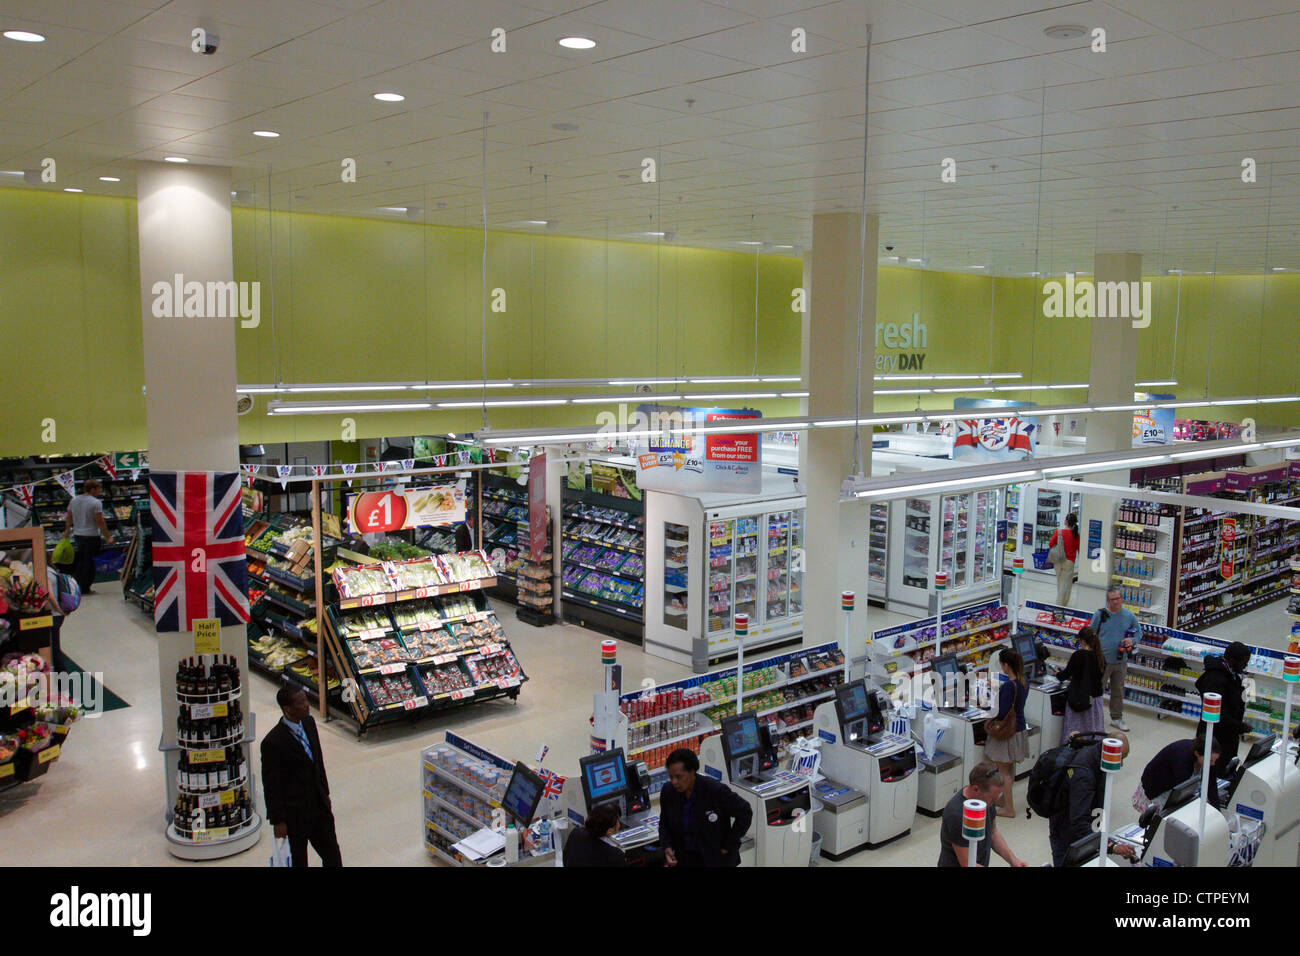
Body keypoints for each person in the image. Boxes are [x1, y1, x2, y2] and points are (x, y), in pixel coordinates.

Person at [261, 685, 342, 867]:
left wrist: (325, 793)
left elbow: (318, 762)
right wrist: (278, 821)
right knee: (299, 860)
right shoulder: (273, 742)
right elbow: (271, 784)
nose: (307, 705)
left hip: (319, 807)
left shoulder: (309, 723)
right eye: (302, 702)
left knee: (332, 854)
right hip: (295, 814)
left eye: (306, 699)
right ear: (287, 709)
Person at [1048, 732, 1137, 866]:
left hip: (1085, 828)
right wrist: (1111, 846)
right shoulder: (1084, 775)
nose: (1122, 764)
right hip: (1066, 832)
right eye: (1120, 758)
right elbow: (1079, 822)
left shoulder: (1098, 757)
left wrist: (1102, 839)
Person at [658, 748, 752, 867]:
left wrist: (729, 843)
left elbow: (745, 812)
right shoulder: (668, 791)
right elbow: (664, 823)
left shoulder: (715, 791)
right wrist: (666, 846)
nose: (674, 782)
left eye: (679, 777)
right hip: (685, 859)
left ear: (692, 772)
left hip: (715, 860)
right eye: (671, 777)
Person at [937, 762, 1028, 867]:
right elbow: (967, 863)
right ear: (976, 789)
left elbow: (993, 833)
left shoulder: (986, 800)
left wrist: (1013, 860)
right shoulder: (956, 814)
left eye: (998, 794)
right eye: (993, 796)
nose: (997, 799)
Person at [984, 648, 1029, 817]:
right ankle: (1003, 800)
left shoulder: (1009, 686)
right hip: (1019, 728)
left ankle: (1008, 809)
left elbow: (1002, 712)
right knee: (1010, 769)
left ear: (1006, 665)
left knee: (1003, 771)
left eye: (1002, 665)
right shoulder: (1024, 681)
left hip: (1007, 732)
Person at [1195, 642, 1250, 778]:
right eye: (1244, 662)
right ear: (1232, 660)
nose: (1245, 666)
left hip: (1227, 737)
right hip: (1215, 738)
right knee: (1212, 774)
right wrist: (1240, 726)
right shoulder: (1216, 679)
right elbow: (1219, 714)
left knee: (1224, 771)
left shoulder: (1230, 674)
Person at [1090, 588, 1140, 732]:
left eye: (1118, 598)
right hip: (1101, 661)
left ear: (1122, 599)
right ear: (1107, 601)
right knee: (1097, 690)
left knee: (1118, 690)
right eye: (1112, 599)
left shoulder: (1129, 616)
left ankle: (1117, 718)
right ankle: (1094, 718)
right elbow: (1090, 633)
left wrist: (1132, 640)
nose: (1116, 602)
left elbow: (1139, 633)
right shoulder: (1100, 615)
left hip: (1121, 660)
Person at [1134, 731, 1221, 813]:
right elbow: (1183, 792)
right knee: (1156, 822)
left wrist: (1217, 812)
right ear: (1197, 754)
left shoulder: (1208, 757)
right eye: (1210, 761)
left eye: (1215, 760)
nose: (1213, 764)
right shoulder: (1182, 758)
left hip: (1174, 787)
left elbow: (1211, 785)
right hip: (1157, 787)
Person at [62, 478, 111, 595]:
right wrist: (108, 536)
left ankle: (77, 586)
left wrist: (67, 530)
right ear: (93, 489)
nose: (100, 491)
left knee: (80, 562)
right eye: (99, 489)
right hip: (92, 536)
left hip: (78, 536)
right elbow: (100, 521)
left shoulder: (74, 500)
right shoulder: (96, 502)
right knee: (89, 563)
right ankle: (85, 588)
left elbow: (69, 517)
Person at [1059, 625, 1106, 741]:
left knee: (1075, 733)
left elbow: (1064, 675)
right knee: (1092, 733)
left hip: (1079, 699)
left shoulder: (1078, 655)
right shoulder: (1100, 657)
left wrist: (1056, 673)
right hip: (1095, 701)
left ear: (1083, 641)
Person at [562, 802, 628, 867]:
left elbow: (565, 859)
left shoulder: (576, 833)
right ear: (609, 831)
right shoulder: (615, 855)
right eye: (618, 820)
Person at [1049, 513, 1080, 606]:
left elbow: (1050, 544)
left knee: (1059, 582)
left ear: (1066, 521)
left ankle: (1060, 603)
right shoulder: (1076, 535)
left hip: (1058, 560)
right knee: (1066, 584)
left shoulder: (1058, 532)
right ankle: (1061, 604)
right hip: (1069, 562)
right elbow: (1079, 548)